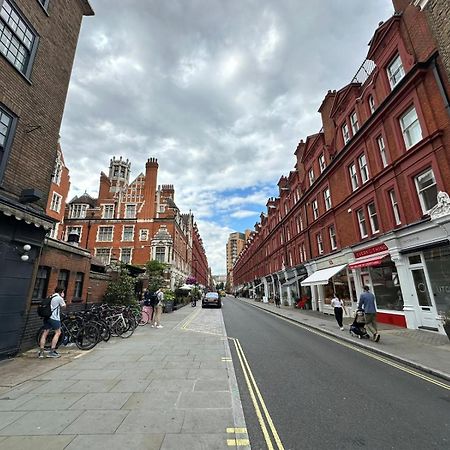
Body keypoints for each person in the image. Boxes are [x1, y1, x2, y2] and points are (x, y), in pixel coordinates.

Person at [38, 287, 66, 358]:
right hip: (54, 318)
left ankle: (41, 352)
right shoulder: (59, 298)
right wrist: (62, 297)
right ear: (61, 291)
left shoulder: (50, 296)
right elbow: (64, 307)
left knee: (45, 333)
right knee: (58, 332)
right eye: (63, 292)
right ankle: (52, 351)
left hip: (47, 317)